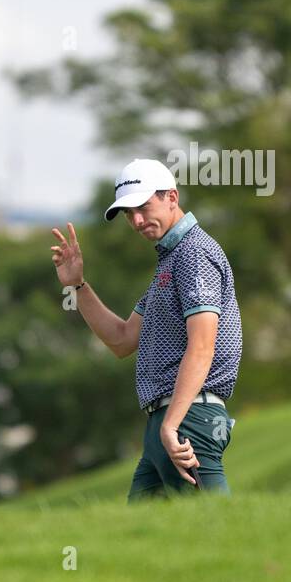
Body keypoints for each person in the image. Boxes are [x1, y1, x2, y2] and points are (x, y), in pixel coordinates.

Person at [49, 158, 241, 501]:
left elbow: (202, 347)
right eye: (128, 214)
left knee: (220, 531)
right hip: (166, 421)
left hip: (188, 419)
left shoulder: (194, 254)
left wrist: (171, 426)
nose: (136, 221)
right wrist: (77, 286)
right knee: (139, 540)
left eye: (143, 207)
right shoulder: (170, 261)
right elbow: (123, 340)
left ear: (171, 196)